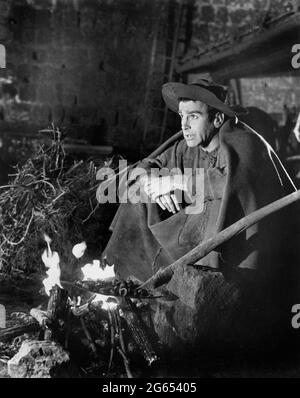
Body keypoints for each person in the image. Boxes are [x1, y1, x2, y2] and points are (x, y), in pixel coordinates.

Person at [100, 80, 300, 360]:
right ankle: (134, 284)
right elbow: (144, 167)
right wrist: (153, 182)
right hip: (199, 230)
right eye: (182, 116)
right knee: (140, 195)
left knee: (217, 201)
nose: (184, 125)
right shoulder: (187, 146)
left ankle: (206, 296)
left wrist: (177, 182)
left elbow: (233, 185)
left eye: (193, 116)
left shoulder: (244, 141)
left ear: (218, 118)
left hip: (254, 250)